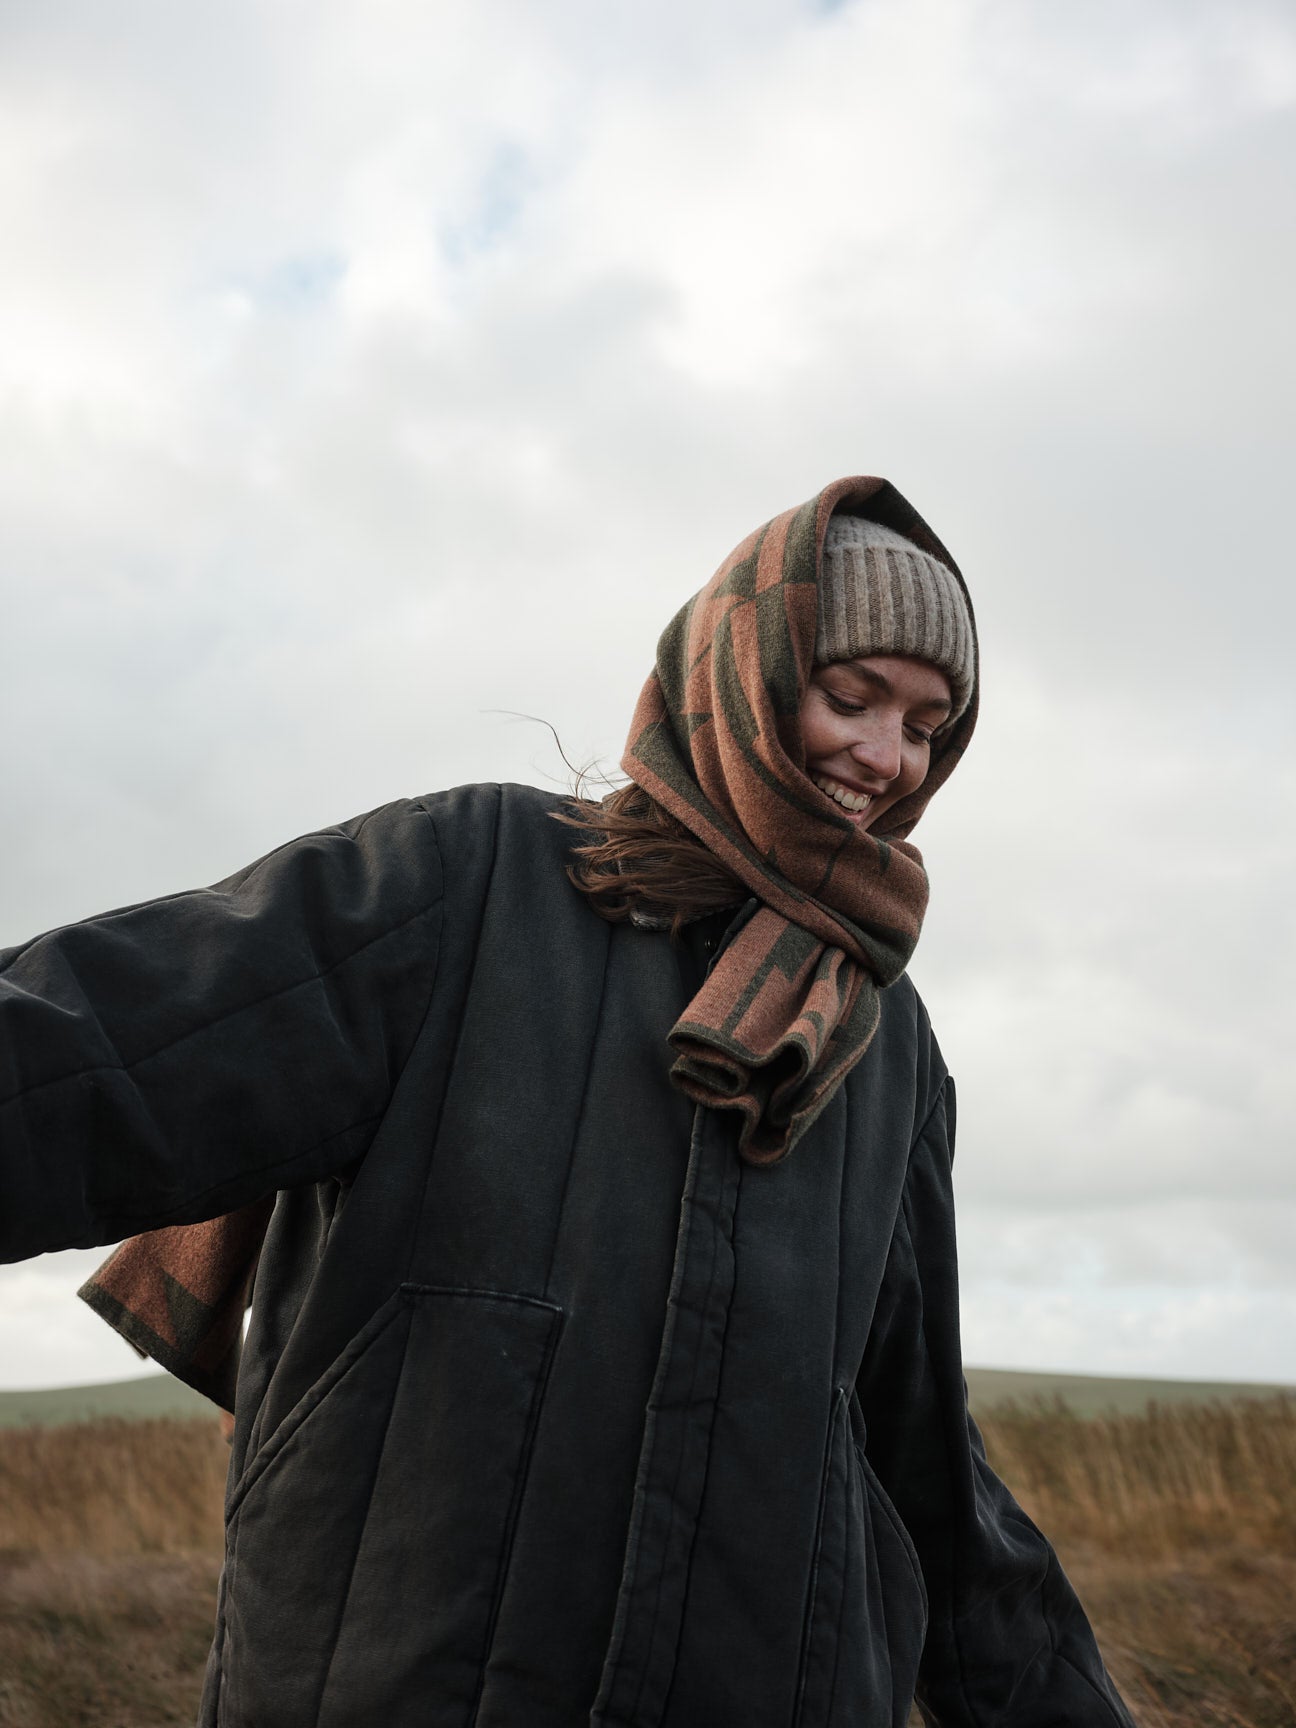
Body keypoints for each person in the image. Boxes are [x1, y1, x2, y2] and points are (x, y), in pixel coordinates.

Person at [0, 475, 1135, 1727]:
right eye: (851, 695)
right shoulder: (471, 885)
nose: (885, 755)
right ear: (744, 675)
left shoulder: (889, 1047)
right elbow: (95, 1059)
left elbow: (927, 1472)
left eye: (927, 725)